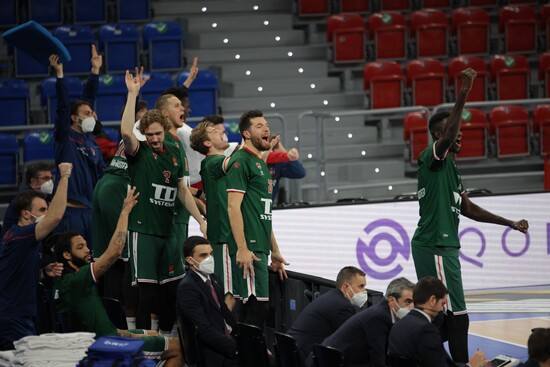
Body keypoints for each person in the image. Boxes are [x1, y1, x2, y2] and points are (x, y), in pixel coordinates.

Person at [411, 68, 529, 363]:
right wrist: (464, 91)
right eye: (455, 134)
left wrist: (509, 223)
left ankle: (418, 356)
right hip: (435, 245)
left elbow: (469, 209)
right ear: (441, 135)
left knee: (444, 315)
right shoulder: (431, 158)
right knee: (456, 313)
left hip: (442, 246)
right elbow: (450, 133)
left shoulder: (453, 170)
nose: (460, 137)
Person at [53, 187, 181, 367]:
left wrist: (130, 333)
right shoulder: (75, 280)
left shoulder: (63, 280)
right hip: (106, 344)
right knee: (178, 348)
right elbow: (114, 252)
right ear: (67, 255)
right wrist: (125, 211)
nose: (88, 250)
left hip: (112, 335)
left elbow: (94, 324)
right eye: (80, 247)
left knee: (152, 333)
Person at [120, 69, 206, 330]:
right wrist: (132, 94)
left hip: (168, 230)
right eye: (151, 134)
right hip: (144, 230)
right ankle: (146, 344)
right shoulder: (139, 150)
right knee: (147, 292)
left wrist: (200, 220)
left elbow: (182, 190)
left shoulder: (176, 148)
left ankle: (169, 341)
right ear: (144, 134)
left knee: (170, 290)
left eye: (158, 134)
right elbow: (126, 132)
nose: (155, 139)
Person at [226, 110, 288, 329]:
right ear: (245, 133)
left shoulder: (260, 163)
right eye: (259, 126)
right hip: (249, 249)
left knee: (259, 311)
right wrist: (242, 248)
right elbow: (233, 207)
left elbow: (264, 214)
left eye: (267, 125)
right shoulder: (240, 161)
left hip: (260, 248)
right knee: (252, 311)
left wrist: (276, 251)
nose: (266, 129)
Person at [0, 162, 72, 350]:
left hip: (21, 315)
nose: (46, 215)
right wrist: (64, 176)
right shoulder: (19, 236)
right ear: (26, 214)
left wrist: (42, 271)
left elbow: (17, 273)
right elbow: (55, 217)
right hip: (13, 319)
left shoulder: (25, 239)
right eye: (42, 210)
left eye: (46, 210)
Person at [49, 47, 105, 244]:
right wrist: (60, 75)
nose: (92, 116)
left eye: (92, 113)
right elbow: (63, 106)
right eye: (87, 114)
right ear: (73, 118)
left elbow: (88, 100)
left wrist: (95, 71)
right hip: (70, 213)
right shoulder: (64, 137)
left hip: (92, 212)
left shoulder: (91, 142)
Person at [190, 116, 242, 305]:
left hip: (229, 234)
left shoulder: (213, 164)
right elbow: (235, 161)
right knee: (228, 293)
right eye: (214, 131)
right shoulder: (213, 162)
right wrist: (248, 143)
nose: (221, 130)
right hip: (223, 236)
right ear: (207, 142)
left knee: (233, 291)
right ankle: (223, 332)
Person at [388, 276, 487, 367]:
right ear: (432, 300)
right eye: (442, 303)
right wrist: (472, 365)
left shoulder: (397, 325)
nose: (442, 309)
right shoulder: (426, 330)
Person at [322, 277, 415, 367]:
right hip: (334, 362)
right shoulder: (379, 316)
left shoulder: (385, 313)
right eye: (408, 302)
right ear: (391, 300)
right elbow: (378, 360)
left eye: (413, 302)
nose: (412, 307)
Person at [177, 236, 239, 367]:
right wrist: (235, 347)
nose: (209, 259)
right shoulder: (188, 287)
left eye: (210, 254)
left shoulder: (214, 279)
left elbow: (225, 312)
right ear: (190, 260)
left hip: (222, 340)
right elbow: (203, 330)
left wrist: (243, 338)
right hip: (206, 351)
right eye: (203, 255)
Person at [288, 266, 367, 363]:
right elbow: (351, 341)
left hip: (292, 352)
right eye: (361, 286)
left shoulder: (331, 297)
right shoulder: (342, 306)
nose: (364, 291)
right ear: (346, 287)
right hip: (305, 358)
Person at [2, 161, 54, 236]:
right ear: (33, 181)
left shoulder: (47, 196)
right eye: (46, 178)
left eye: (51, 178)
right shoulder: (24, 200)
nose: (50, 182)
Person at [266, 135, 305, 203]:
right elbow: (267, 157)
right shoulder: (256, 160)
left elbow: (300, 173)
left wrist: (290, 158)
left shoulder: (278, 165)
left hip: (267, 207)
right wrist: (286, 155)